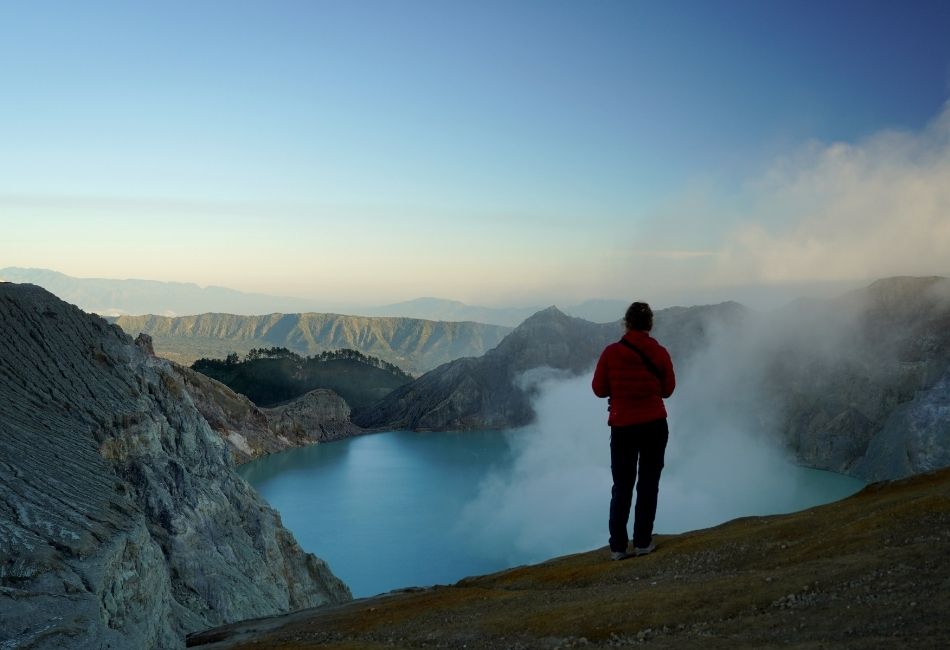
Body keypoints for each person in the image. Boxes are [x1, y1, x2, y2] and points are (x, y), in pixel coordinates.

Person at [592, 301, 675, 561]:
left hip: (623, 428)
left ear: (626, 323)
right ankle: (642, 542)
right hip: (654, 425)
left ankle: (618, 547)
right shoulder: (659, 352)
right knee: (648, 484)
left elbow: (599, 389)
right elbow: (668, 390)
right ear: (649, 324)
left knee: (622, 486)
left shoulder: (611, 352)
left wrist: (620, 391)